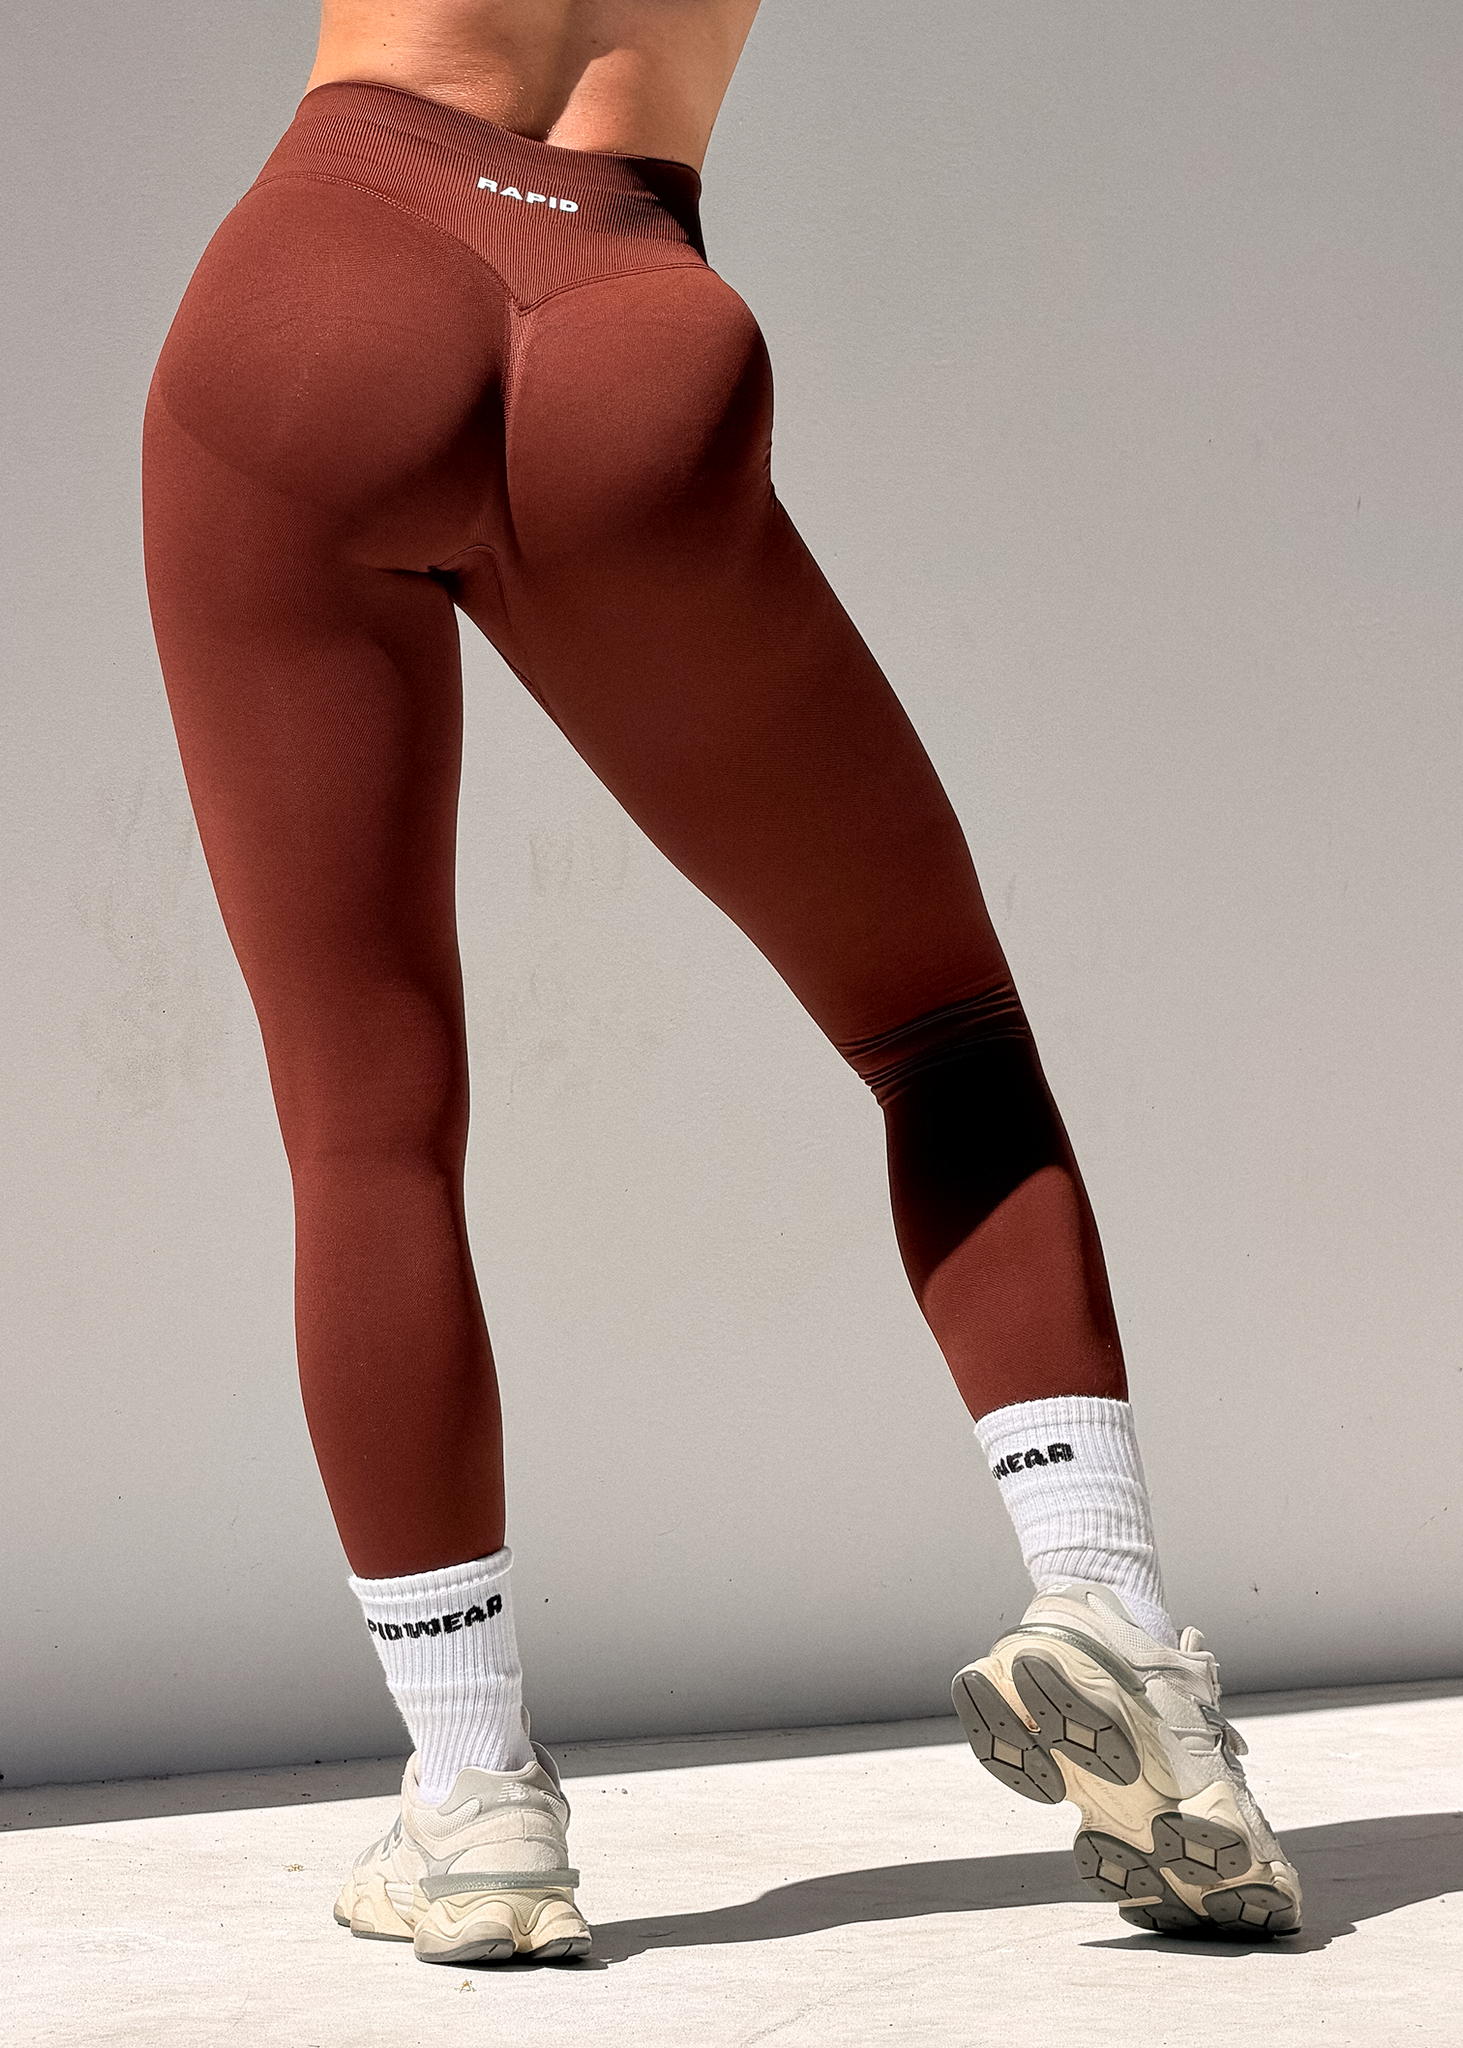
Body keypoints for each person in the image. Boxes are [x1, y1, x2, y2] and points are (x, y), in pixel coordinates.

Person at [141, 0, 1301, 1965]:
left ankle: (475, 1798)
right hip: (627, 310)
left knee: (365, 1125)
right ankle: (1106, 1609)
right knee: (941, 1038)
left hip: (319, 284)